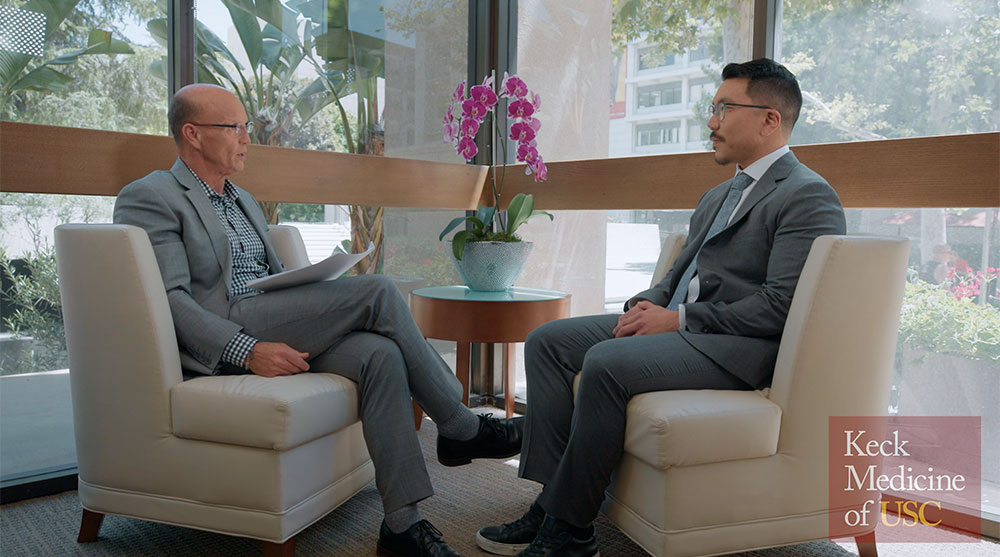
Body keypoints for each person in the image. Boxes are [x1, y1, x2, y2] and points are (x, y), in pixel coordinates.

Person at [114, 83, 522, 557]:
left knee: (380, 354)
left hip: (269, 311)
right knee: (379, 290)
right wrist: (246, 350)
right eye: (233, 127)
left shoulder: (243, 198)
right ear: (193, 134)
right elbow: (172, 298)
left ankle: (401, 526)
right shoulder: (152, 195)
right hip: (230, 325)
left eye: (246, 127)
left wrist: (307, 285)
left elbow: (269, 276)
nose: (246, 138)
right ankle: (459, 425)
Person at [475, 59, 847, 557]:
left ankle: (570, 532)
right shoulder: (720, 193)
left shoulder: (807, 195)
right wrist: (650, 301)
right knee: (548, 341)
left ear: (769, 120)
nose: (711, 122)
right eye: (713, 108)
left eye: (724, 108)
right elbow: (682, 272)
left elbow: (780, 307)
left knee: (605, 362)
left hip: (736, 347)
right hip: (684, 327)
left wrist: (679, 319)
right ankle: (550, 501)